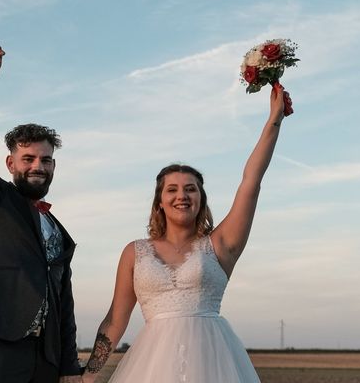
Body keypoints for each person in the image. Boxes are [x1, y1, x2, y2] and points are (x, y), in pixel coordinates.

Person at [82, 86, 288, 382]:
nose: (182, 196)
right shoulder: (135, 252)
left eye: (191, 189)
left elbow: (250, 182)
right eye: (173, 189)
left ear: (201, 199)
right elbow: (116, 319)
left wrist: (274, 120)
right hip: (152, 367)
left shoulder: (220, 244)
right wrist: (88, 376)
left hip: (214, 362)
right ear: (160, 202)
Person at [0, 25, 82, 383]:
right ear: (10, 163)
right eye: (28, 159)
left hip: (45, 359)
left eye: (45, 160)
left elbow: (65, 304)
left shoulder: (59, 230)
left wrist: (69, 365)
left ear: (54, 166)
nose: (37, 167)